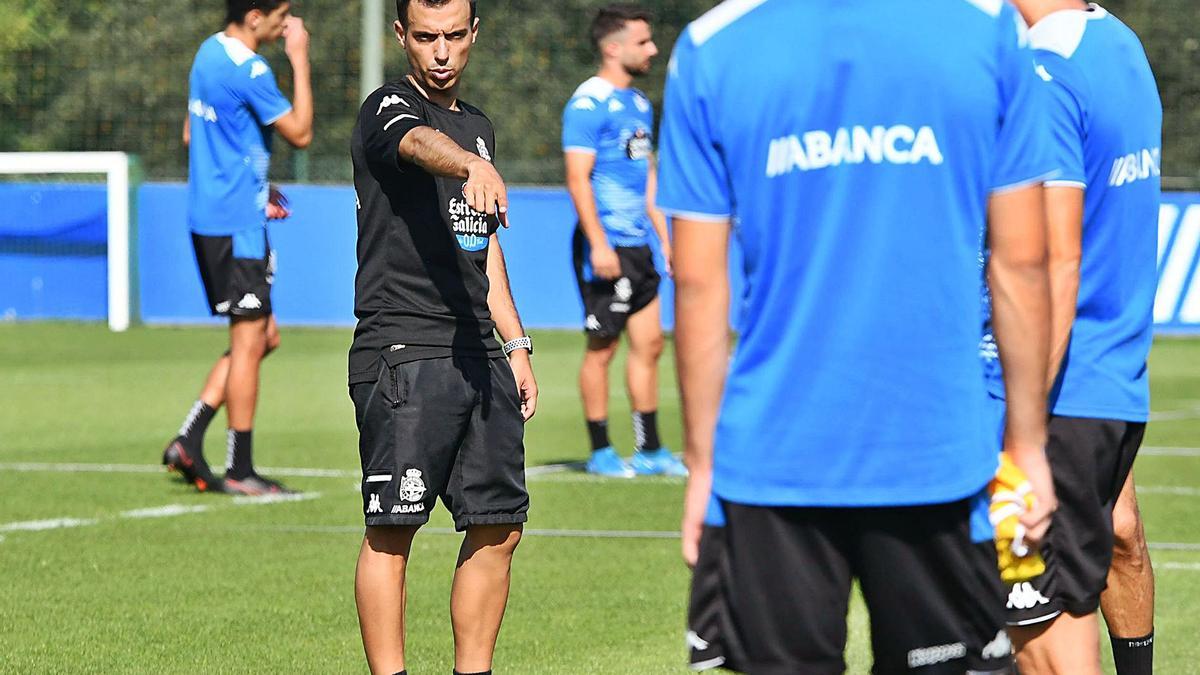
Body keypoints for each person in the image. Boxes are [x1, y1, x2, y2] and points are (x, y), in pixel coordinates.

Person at [659, 1, 1059, 672]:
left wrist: (703, 466)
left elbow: (699, 283)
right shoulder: (987, 27)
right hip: (937, 451)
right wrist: (1027, 444)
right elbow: (1021, 262)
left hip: (770, 460)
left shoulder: (711, 44)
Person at [348, 1, 537, 673]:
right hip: (403, 347)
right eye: (425, 37)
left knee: (499, 523)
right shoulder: (387, 109)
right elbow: (416, 145)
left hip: (478, 350)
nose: (440, 52)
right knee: (393, 526)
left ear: (473, 34)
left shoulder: (478, 125)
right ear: (401, 35)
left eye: (454, 36)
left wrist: (514, 345)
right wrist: (466, 165)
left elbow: (482, 249)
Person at [992, 3, 1161, 674]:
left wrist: (1020, 431)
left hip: (1063, 390)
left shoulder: (1047, 69)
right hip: (1113, 384)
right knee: (1120, 534)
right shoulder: (1119, 44)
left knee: (1043, 641)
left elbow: (1054, 263)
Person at [162, 0, 312, 495]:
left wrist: (250, 183)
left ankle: (189, 437)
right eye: (280, 13)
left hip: (210, 217)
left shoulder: (206, 53)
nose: (285, 21)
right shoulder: (251, 69)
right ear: (254, 16)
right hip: (238, 227)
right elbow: (302, 133)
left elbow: (193, 133)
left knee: (264, 337)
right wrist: (300, 57)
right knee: (250, 344)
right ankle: (240, 469)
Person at [562, 6, 684, 477]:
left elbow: (646, 175)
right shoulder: (587, 104)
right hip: (606, 243)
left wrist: (664, 237)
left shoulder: (638, 103)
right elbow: (577, 178)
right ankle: (600, 450)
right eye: (643, 41)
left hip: (639, 243)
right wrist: (599, 244)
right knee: (604, 348)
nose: (653, 49)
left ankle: (649, 449)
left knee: (651, 343)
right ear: (613, 47)